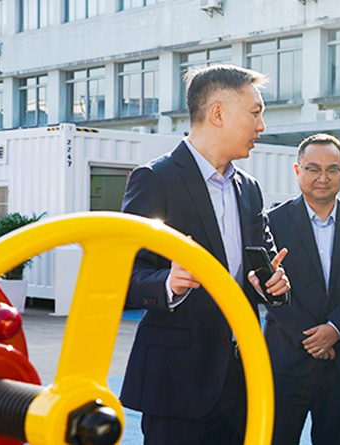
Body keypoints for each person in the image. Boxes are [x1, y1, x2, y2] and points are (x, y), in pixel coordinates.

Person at [119, 64, 290, 445]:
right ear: (217, 114)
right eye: (255, 113)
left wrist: (274, 284)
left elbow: (261, 265)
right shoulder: (155, 179)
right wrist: (168, 283)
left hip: (242, 380)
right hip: (179, 383)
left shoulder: (249, 189)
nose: (262, 126)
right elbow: (121, 276)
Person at [264, 133, 340, 445]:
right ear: (297, 170)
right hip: (287, 359)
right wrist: (312, 337)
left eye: (332, 169)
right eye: (313, 168)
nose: (323, 177)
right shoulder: (271, 223)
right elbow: (267, 288)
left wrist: (334, 329)